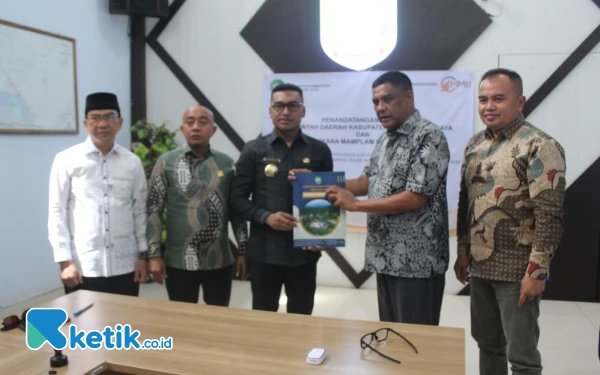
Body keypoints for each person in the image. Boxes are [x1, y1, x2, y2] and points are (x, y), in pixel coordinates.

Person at [454, 68, 566, 375]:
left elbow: (550, 214)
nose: (488, 106)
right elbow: (467, 202)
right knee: (488, 345)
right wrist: (463, 251)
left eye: (498, 98)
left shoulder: (539, 146)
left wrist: (537, 271)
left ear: (520, 102)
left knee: (522, 357)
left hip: (518, 272)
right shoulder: (474, 145)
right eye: (483, 99)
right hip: (480, 267)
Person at [325, 71, 451, 326]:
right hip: (385, 258)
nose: (380, 107)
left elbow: (414, 198)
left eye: (388, 99)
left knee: (416, 344)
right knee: (393, 338)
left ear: (409, 97)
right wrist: (319, 181)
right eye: (375, 102)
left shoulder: (429, 136)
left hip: (416, 263)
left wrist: (356, 205)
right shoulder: (385, 140)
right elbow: (364, 183)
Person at [230, 83, 333, 315]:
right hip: (264, 254)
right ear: (270, 111)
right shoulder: (253, 150)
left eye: (292, 105)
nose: (285, 111)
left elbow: (327, 199)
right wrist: (267, 218)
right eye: (279, 106)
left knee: (302, 317)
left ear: (303, 111)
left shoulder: (320, 151)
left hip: (305, 256)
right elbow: (237, 199)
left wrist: (324, 235)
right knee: (264, 319)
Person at [146, 105, 248, 306]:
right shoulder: (166, 162)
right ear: (182, 128)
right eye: (189, 121)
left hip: (219, 261)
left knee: (217, 321)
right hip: (179, 261)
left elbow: (237, 211)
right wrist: (153, 255)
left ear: (213, 130)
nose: (195, 127)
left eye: (203, 122)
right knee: (183, 323)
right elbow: (153, 210)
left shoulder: (226, 163)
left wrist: (243, 251)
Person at [48, 92, 148, 296]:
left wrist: (143, 256)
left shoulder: (132, 162)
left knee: (124, 323)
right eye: (95, 117)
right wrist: (65, 261)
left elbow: (139, 210)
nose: (102, 124)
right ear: (86, 123)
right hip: (83, 266)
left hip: (125, 266)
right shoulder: (66, 160)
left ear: (119, 123)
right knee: (84, 325)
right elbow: (57, 211)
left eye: (109, 117)